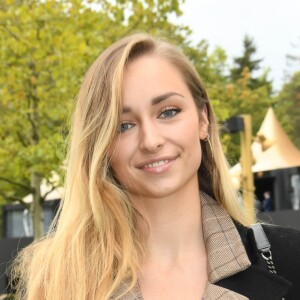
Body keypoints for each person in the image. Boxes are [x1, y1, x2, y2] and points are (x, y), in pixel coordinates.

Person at [12, 33, 300, 300]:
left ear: (203, 120)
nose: (151, 141)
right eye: (123, 125)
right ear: (100, 146)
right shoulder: (53, 279)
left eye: (168, 112)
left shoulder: (290, 258)